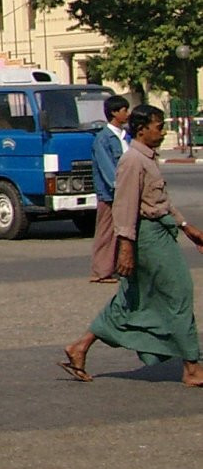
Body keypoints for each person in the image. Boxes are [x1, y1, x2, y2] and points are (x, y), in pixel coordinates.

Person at [62, 105, 203, 386]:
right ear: (142, 130)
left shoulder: (147, 159)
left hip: (159, 233)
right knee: (179, 293)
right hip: (146, 238)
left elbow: (158, 201)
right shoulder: (132, 161)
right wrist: (125, 247)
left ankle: (80, 346)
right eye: (159, 127)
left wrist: (186, 227)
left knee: (132, 298)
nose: (162, 132)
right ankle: (192, 365)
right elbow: (124, 206)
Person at [89, 94, 130, 284]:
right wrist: (119, 189)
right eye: (124, 110)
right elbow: (108, 170)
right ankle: (101, 271)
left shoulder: (124, 136)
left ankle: (119, 268)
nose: (127, 114)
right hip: (110, 195)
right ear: (114, 113)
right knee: (106, 232)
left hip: (125, 192)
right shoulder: (103, 139)